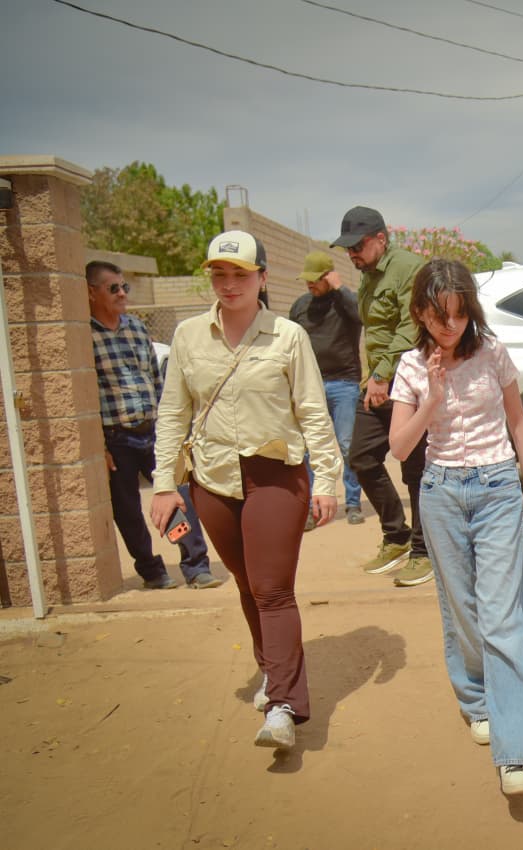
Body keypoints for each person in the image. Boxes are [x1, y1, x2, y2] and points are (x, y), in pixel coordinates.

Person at [150, 231, 343, 753]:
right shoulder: (189, 336)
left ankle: (283, 705)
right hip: (212, 479)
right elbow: (173, 413)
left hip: (276, 474)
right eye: (220, 274)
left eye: (240, 274)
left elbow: (312, 411)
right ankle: (272, 670)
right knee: (247, 583)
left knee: (272, 588)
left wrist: (327, 480)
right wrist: (165, 485)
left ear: (262, 277)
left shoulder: (288, 336)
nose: (229, 284)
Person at [387, 258, 523, 796]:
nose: (450, 325)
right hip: (441, 493)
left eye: (458, 313)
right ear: (420, 313)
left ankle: (515, 751)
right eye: (439, 315)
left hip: (498, 487)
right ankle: (476, 700)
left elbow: (518, 421)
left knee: (503, 616)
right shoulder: (411, 366)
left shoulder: (492, 352)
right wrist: (431, 395)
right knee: (463, 610)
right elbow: (399, 447)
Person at [86, 260, 219, 591]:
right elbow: (84, 396)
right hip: (116, 440)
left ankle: (195, 567)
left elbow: (159, 381)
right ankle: (152, 571)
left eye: (124, 286)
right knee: (128, 512)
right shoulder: (84, 336)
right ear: (91, 292)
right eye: (113, 288)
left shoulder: (136, 328)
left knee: (178, 499)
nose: (122, 293)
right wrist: (99, 446)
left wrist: (171, 427)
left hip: (154, 432)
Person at [331, 206, 432, 587]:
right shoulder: (369, 276)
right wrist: (373, 378)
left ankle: (423, 551)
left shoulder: (408, 268)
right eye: (348, 248)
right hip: (377, 384)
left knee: (415, 470)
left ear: (380, 239)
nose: (351, 254)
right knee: (361, 456)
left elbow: (411, 327)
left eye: (357, 246)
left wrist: (381, 374)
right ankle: (397, 535)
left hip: (408, 383)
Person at [289, 250, 365, 529]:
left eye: (315, 279)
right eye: (307, 279)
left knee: (347, 446)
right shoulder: (300, 306)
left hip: (344, 384)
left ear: (328, 276)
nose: (310, 283)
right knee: (308, 448)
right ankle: (311, 508)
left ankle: (353, 503)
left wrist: (340, 287)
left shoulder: (345, 302)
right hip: (309, 385)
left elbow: (363, 314)